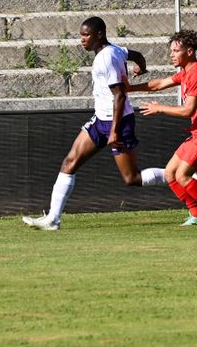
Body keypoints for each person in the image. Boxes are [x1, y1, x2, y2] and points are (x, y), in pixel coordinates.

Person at [22, 16, 166, 230]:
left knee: (132, 178)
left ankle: (180, 173)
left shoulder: (106, 58)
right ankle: (53, 219)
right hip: (101, 120)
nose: (82, 40)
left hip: (117, 122)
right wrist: (140, 68)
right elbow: (136, 55)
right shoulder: (116, 50)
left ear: (99, 34)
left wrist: (115, 132)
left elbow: (119, 96)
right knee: (69, 162)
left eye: (86, 35)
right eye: (81, 35)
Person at [127, 29, 197, 226]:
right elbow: (158, 84)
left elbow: (188, 111)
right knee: (170, 173)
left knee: (182, 175)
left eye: (175, 51)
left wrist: (159, 109)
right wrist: (130, 88)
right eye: (171, 51)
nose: (171, 55)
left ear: (189, 51)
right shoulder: (186, 72)